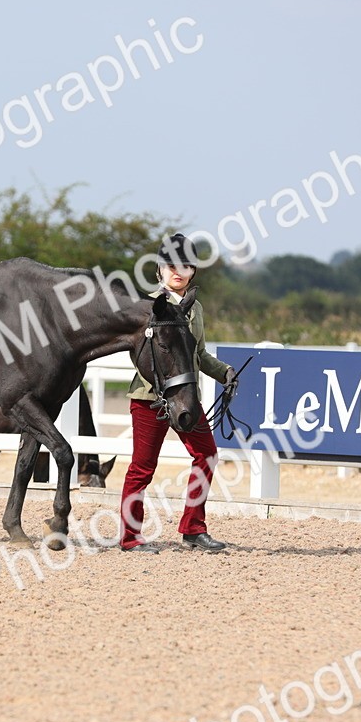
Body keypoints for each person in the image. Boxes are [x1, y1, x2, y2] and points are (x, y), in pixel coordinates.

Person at [119, 234, 235, 553]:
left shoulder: (195, 308)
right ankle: (130, 536)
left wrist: (224, 372)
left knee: (207, 454)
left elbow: (199, 354)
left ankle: (193, 528)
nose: (178, 271)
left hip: (185, 398)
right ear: (159, 269)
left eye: (185, 266)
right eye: (171, 265)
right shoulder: (148, 307)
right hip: (151, 399)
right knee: (143, 467)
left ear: (193, 271)